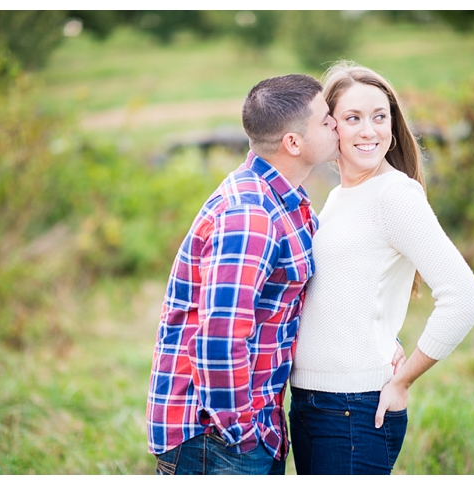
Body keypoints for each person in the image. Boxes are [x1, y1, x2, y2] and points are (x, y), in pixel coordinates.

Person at [288, 60, 474, 475]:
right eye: (353, 118)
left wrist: (402, 379)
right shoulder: (341, 197)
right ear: (330, 127)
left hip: (353, 410)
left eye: (380, 117)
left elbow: (464, 298)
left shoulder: (394, 195)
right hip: (311, 403)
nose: (369, 130)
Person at [146, 73, 342, 475]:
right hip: (218, 439)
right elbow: (219, 336)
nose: (337, 124)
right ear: (293, 142)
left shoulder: (288, 202)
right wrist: (240, 431)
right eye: (326, 119)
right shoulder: (250, 215)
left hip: (250, 430)